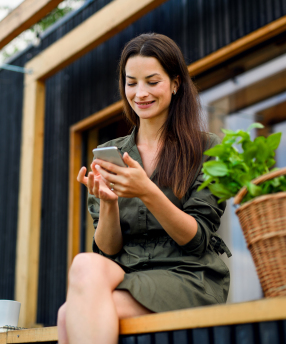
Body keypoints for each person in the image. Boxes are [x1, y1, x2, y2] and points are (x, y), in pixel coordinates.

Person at [56, 33, 231, 344]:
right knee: (84, 262)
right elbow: (108, 249)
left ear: (175, 83)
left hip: (187, 275)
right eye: (131, 82)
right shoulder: (111, 152)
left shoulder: (206, 148)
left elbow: (196, 239)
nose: (140, 93)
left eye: (152, 81)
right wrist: (109, 202)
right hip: (130, 273)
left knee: (68, 316)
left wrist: (145, 191)